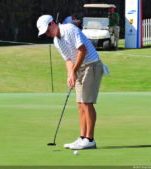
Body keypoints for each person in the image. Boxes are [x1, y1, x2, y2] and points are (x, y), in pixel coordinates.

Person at [37, 15, 104, 150]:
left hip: (91, 65)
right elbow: (68, 59)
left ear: (52, 23)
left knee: (87, 103)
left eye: (47, 30)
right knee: (80, 103)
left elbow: (82, 50)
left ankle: (90, 139)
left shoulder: (70, 29)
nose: (47, 34)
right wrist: (70, 74)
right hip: (79, 68)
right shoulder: (57, 41)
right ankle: (82, 137)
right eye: (45, 33)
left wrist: (74, 71)